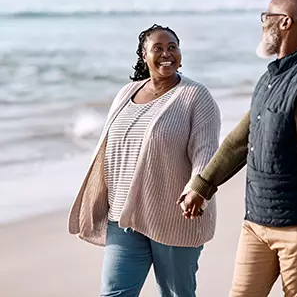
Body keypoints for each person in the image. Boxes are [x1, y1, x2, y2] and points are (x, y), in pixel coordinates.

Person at [178, 0, 297, 297]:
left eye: (266, 16)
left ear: (285, 22)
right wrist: (202, 186)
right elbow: (241, 140)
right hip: (257, 222)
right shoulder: (272, 77)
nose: (262, 23)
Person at [68, 24, 221, 297]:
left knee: (176, 293)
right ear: (143, 55)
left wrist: (198, 189)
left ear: (181, 54)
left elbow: (206, 150)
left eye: (172, 47)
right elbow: (109, 148)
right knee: (115, 293)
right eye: (158, 48)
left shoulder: (196, 96)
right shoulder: (126, 93)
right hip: (123, 217)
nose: (166, 54)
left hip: (174, 215)